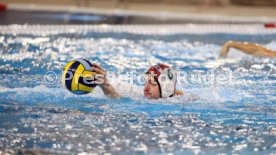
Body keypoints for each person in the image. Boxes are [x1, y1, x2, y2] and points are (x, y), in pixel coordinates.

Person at [91, 63, 183, 99]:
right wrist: (105, 85)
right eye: (146, 82)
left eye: (153, 83)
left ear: (166, 88)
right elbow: (118, 99)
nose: (146, 88)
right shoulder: (140, 98)